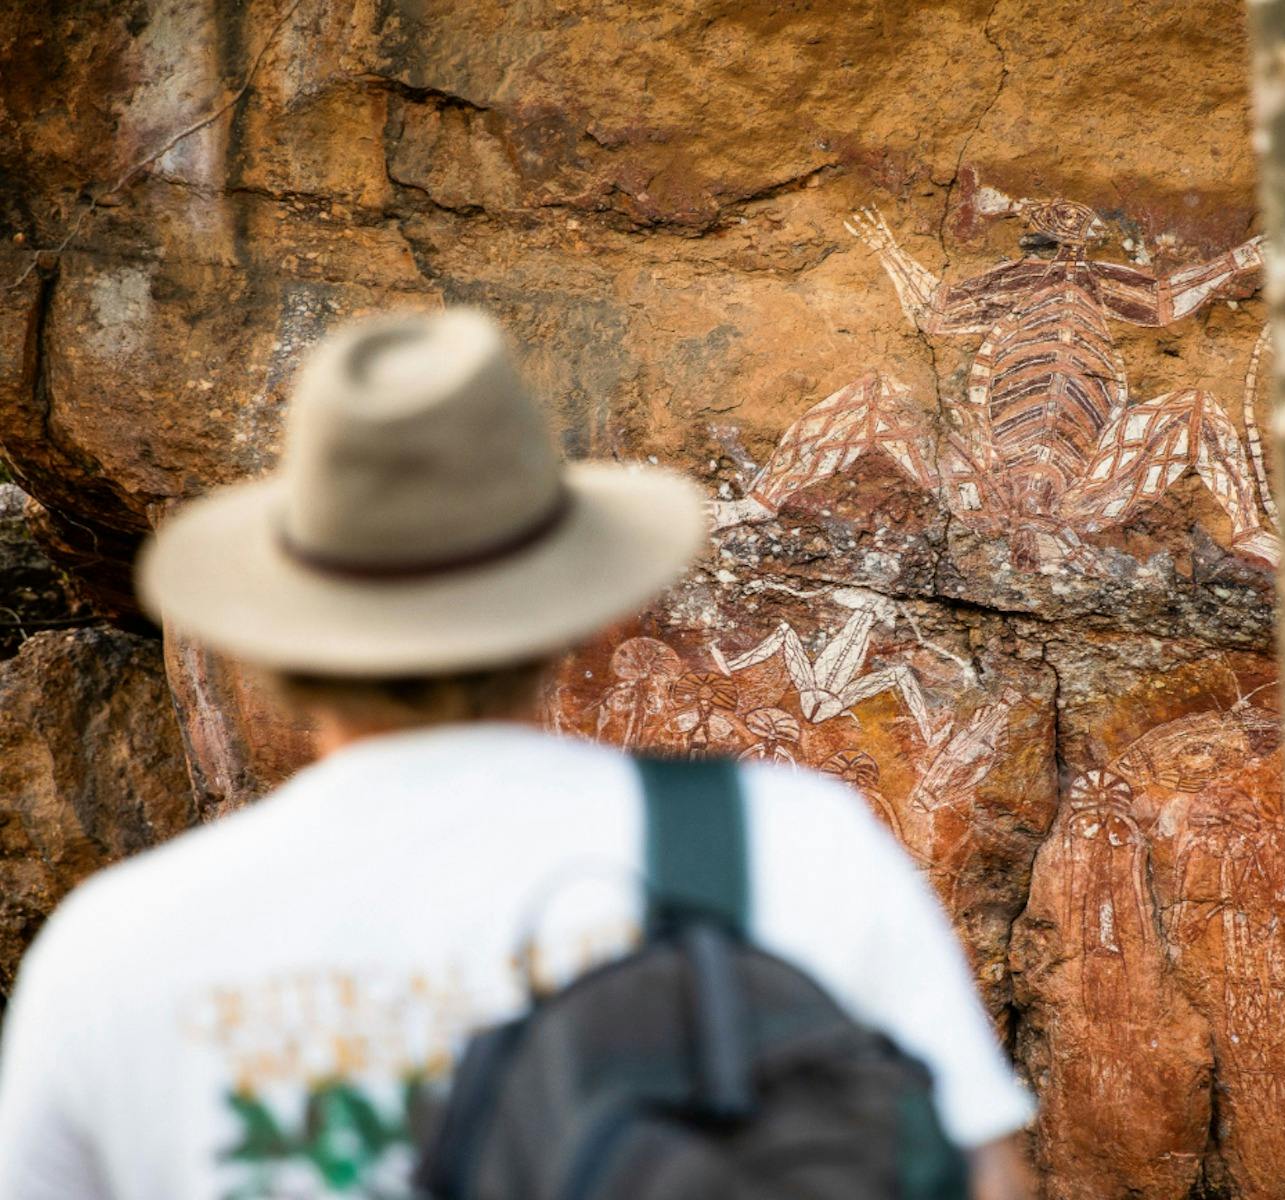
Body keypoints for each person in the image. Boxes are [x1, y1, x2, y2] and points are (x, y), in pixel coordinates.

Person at [0, 309, 1035, 1199]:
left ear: (270, 650)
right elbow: (975, 1178)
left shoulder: (113, 951)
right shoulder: (789, 846)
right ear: (584, 616)